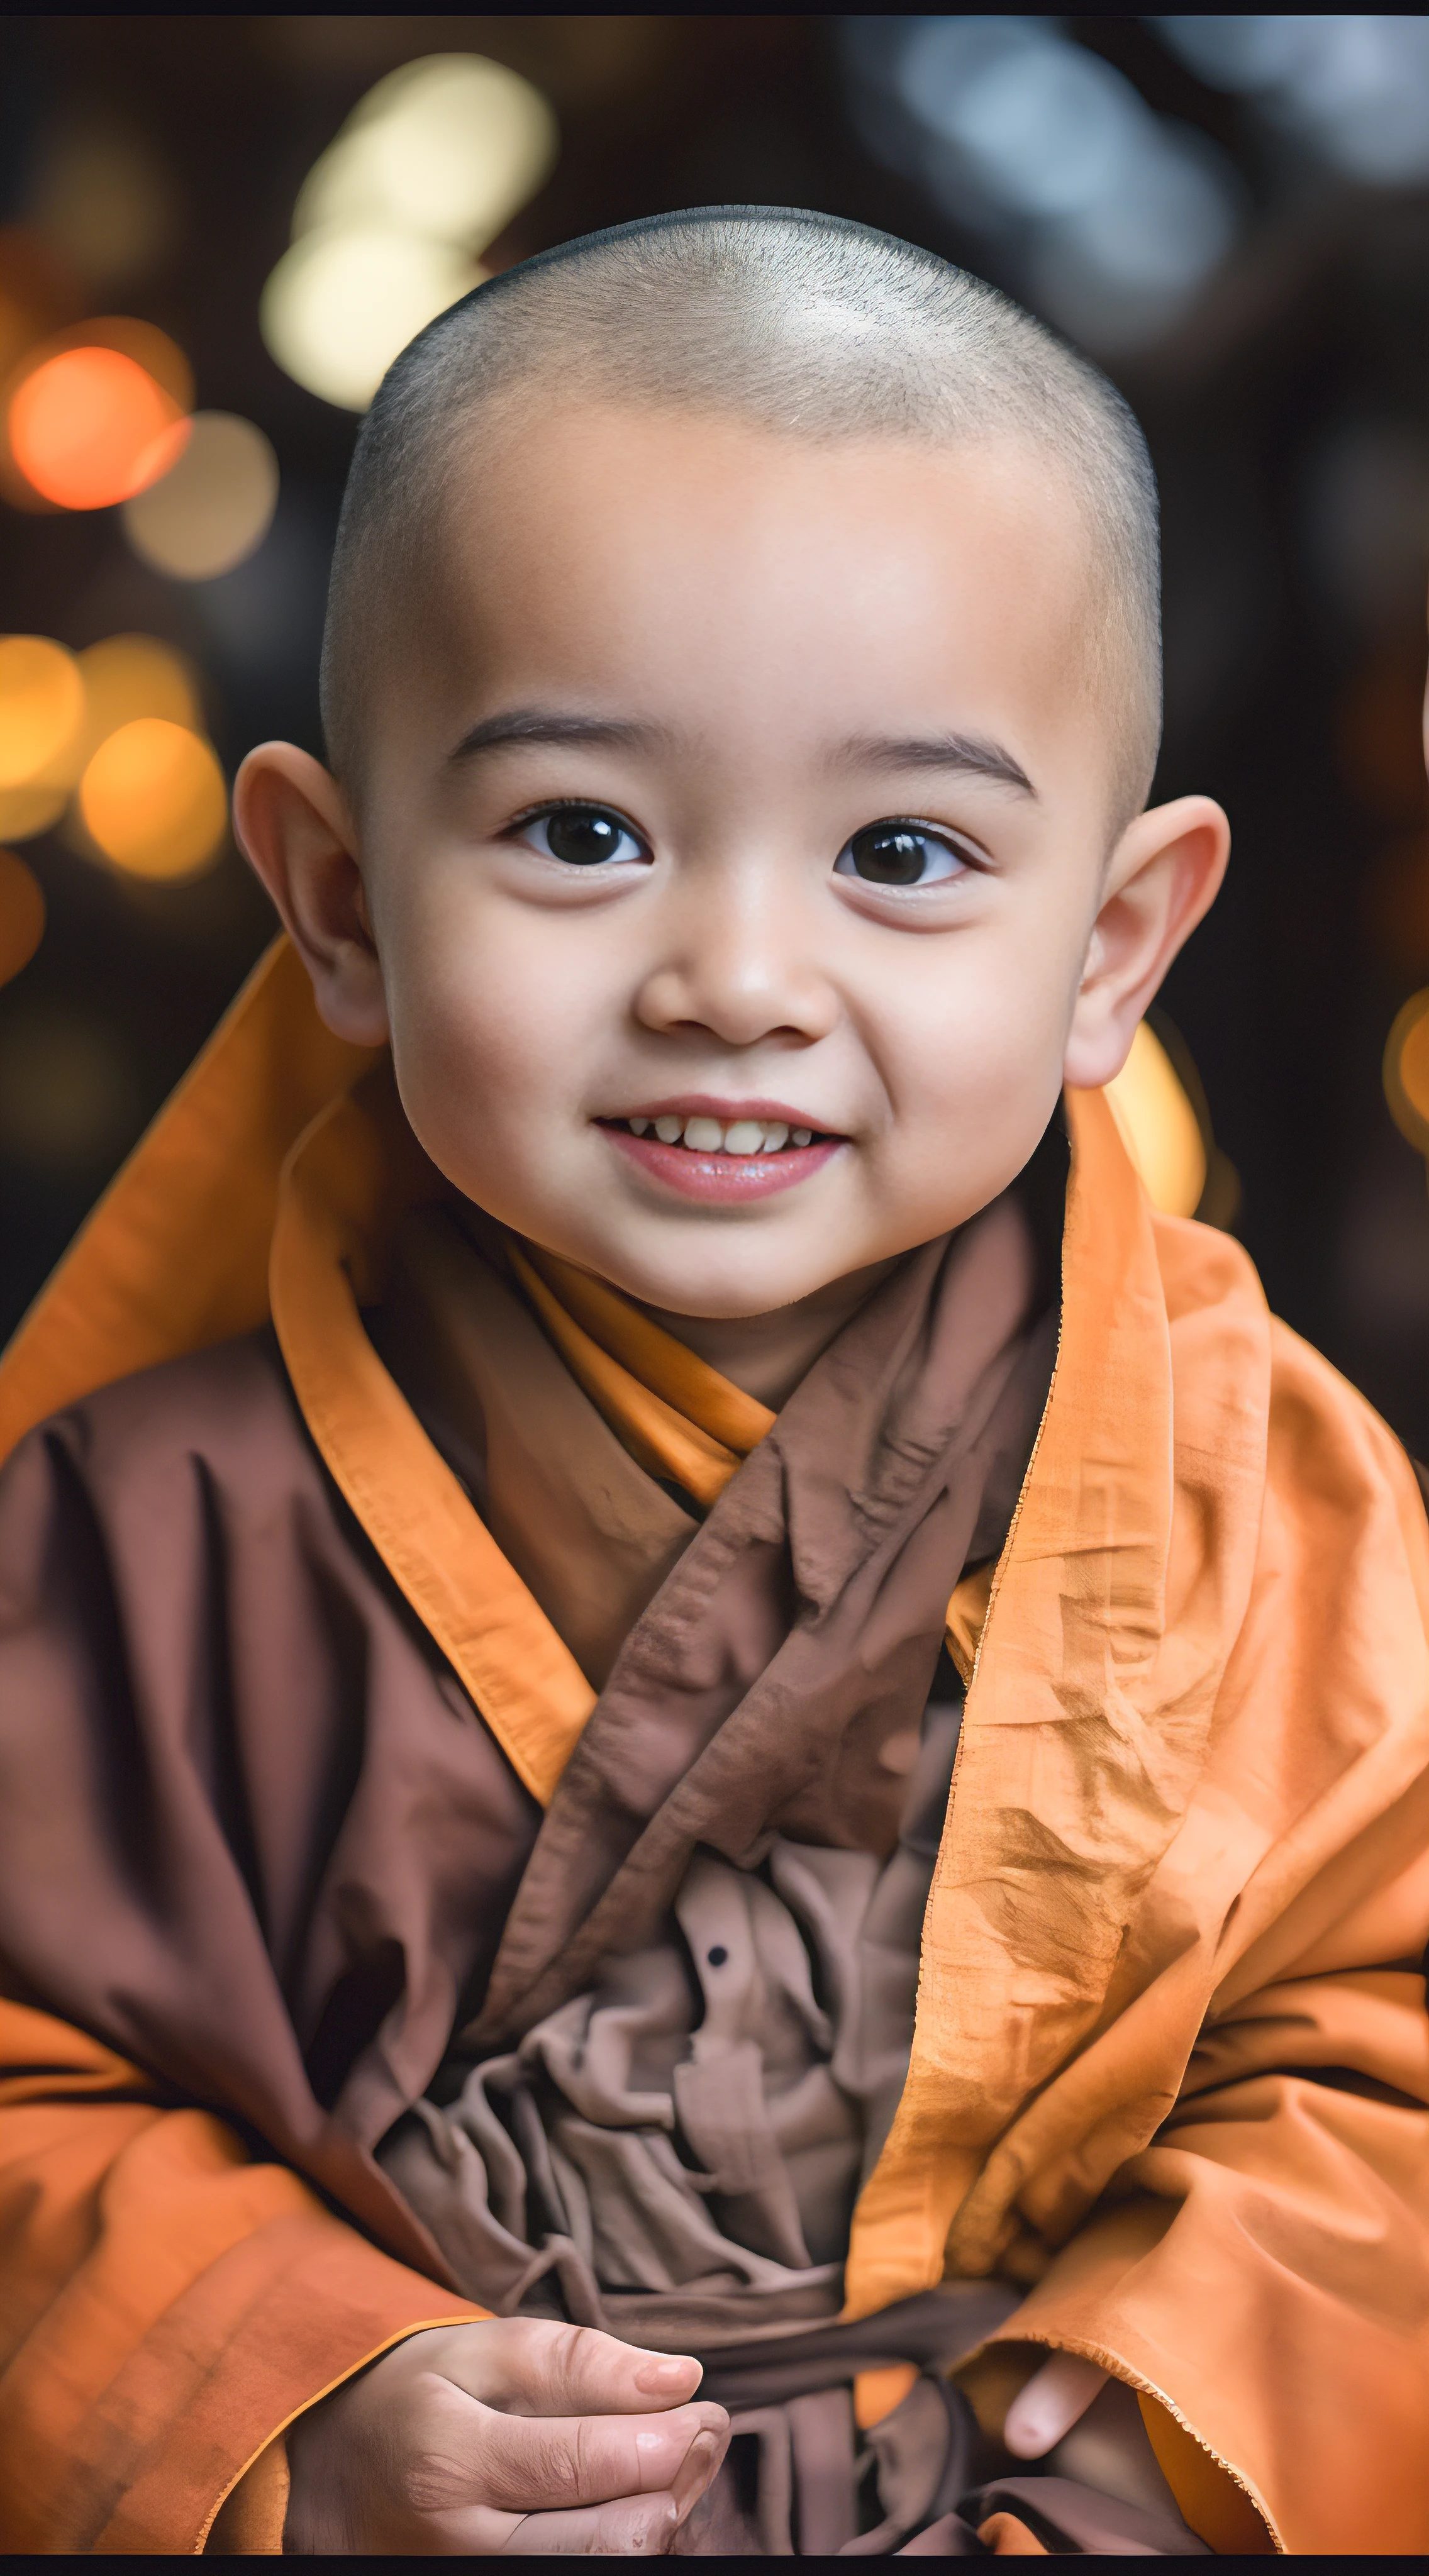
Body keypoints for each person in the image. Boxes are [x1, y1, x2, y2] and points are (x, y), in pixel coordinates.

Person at [0, 210, 1425, 2558]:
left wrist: (1178, 2437)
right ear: (340, 904)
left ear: (1117, 947)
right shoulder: (146, 1533)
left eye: (900, 851)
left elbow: (1392, 2038)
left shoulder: (1266, 1495)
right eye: (586, 832)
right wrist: (293, 2401)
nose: (739, 977)